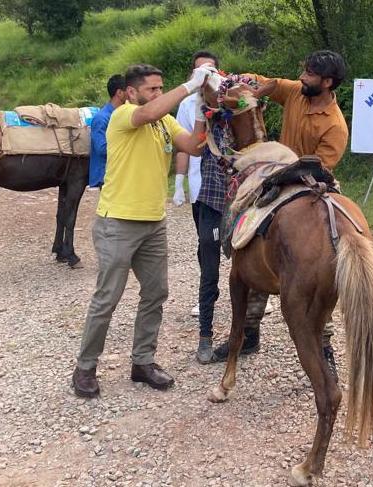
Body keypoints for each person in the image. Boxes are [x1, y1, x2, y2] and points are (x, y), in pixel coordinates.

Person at [71, 63, 211, 398]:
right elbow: (148, 112)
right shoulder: (124, 115)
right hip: (117, 222)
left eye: (161, 88)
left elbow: (193, 147)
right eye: (152, 89)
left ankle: (143, 361)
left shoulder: (165, 120)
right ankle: (85, 367)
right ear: (131, 92)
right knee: (107, 298)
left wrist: (204, 112)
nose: (158, 94)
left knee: (155, 293)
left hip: (153, 223)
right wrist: (190, 84)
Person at [209, 50, 350, 375]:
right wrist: (227, 79)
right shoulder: (297, 92)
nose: (303, 77)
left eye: (311, 74)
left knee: (318, 267)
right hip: (274, 180)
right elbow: (264, 83)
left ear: (327, 83)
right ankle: (248, 334)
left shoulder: (335, 126)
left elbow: (320, 167)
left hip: (307, 185)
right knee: (254, 243)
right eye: (304, 69)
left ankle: (323, 346)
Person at [174, 50, 218, 320]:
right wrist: (179, 182)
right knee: (205, 243)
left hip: (227, 184)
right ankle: (207, 294)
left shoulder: (231, 99)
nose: (204, 76)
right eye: (198, 71)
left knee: (240, 239)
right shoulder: (187, 104)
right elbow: (182, 145)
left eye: (209, 70)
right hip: (199, 185)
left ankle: (251, 292)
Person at [88, 75, 127, 188]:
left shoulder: (123, 115)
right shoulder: (101, 118)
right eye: (128, 90)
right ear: (119, 93)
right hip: (107, 176)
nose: (131, 94)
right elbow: (101, 149)